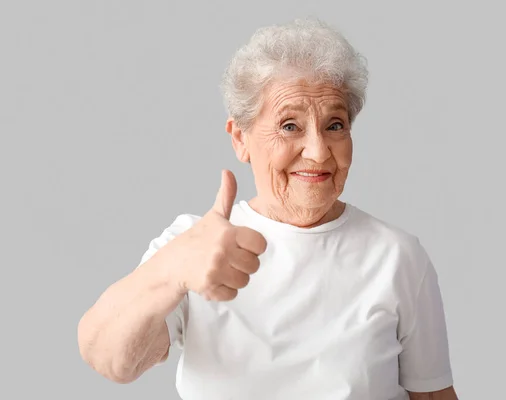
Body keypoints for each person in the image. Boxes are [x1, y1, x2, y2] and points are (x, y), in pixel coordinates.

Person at [77, 17, 458, 400]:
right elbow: (108, 357)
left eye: (335, 125)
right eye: (290, 126)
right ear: (240, 139)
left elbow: (432, 396)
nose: (318, 151)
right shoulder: (198, 247)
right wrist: (171, 270)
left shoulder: (398, 257)